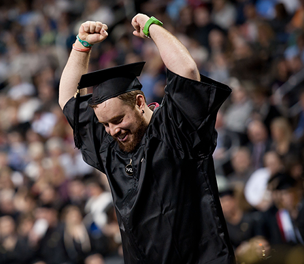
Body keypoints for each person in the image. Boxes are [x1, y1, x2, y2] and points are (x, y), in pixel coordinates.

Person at [59, 14, 235, 263]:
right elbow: (67, 100)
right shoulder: (110, 146)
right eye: (105, 124)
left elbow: (186, 70)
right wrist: (81, 46)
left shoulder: (176, 128)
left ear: (139, 102)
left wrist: (152, 27)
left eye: (118, 120)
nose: (112, 130)